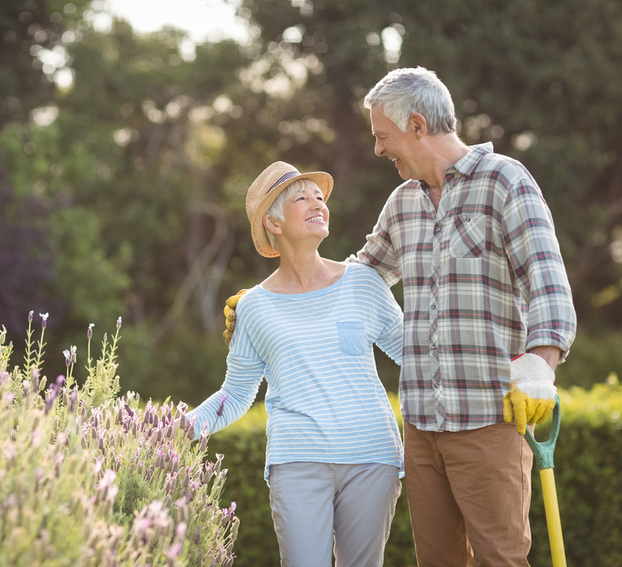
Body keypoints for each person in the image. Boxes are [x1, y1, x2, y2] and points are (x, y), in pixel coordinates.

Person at [224, 67, 577, 566]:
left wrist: (541, 363)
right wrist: (271, 297)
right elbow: (357, 274)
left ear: (416, 126)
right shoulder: (403, 203)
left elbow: (549, 285)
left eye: (381, 135)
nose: (377, 149)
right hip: (422, 427)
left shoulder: (505, 182)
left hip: (486, 420)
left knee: (501, 558)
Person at [187, 161, 405, 567]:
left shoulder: (363, 282)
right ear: (273, 222)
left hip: (372, 457)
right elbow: (235, 394)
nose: (317, 204)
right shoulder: (253, 306)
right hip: (297, 462)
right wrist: (182, 427)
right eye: (301, 198)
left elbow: (415, 353)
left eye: (320, 197)